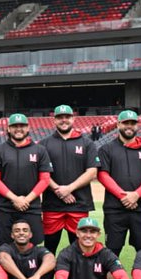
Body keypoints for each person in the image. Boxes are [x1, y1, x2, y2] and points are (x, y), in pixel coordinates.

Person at [96, 110, 141, 257]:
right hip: (115, 209)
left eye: (133, 123)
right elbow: (102, 175)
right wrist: (123, 196)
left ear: (137, 126)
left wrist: (136, 195)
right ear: (118, 124)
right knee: (112, 252)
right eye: (126, 123)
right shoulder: (107, 149)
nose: (129, 126)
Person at [40, 105, 99, 256]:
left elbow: (92, 172)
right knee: (49, 250)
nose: (64, 120)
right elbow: (41, 173)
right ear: (54, 120)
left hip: (78, 204)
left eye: (67, 117)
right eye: (60, 117)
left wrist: (69, 189)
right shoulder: (44, 144)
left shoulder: (87, 143)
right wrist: (59, 191)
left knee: (80, 251)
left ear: (73, 118)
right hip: (52, 205)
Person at [0, 113, 51, 247]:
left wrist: (26, 200)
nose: (18, 129)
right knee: (4, 248)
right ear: (8, 129)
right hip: (5, 208)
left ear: (28, 128)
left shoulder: (40, 150)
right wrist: (15, 199)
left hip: (31, 207)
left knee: (33, 247)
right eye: (14, 126)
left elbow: (45, 179)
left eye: (22, 126)